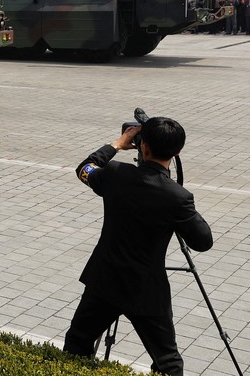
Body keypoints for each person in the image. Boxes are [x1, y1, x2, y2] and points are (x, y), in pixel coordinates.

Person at [63, 117, 213, 376]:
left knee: (78, 343)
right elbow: (203, 242)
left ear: (142, 147)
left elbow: (85, 169)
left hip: (104, 279)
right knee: (167, 361)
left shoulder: (115, 174)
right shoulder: (177, 197)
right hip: (146, 289)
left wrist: (117, 145)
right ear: (178, 152)